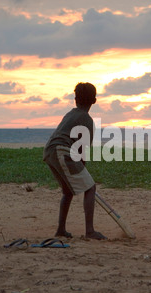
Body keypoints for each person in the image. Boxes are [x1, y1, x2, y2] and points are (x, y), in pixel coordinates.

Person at [43, 82, 106, 240]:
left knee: (68, 191)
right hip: (62, 151)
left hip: (50, 151)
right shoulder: (87, 119)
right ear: (94, 101)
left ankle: (61, 230)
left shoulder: (70, 113)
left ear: (75, 99)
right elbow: (81, 152)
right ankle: (90, 231)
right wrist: (82, 171)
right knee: (90, 187)